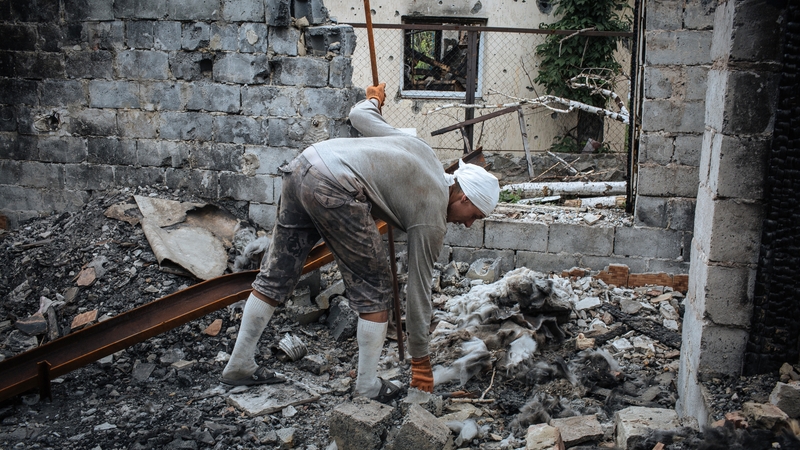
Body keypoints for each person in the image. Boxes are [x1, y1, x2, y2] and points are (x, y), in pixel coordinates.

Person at [221, 83, 500, 403]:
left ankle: (239, 364)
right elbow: (418, 291)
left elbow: (359, 115)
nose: (467, 223)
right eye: (473, 215)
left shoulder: (420, 148)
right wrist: (421, 360)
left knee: (278, 273)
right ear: (463, 196)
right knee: (377, 288)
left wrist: (374, 99)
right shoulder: (432, 214)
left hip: (302, 167)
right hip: (334, 186)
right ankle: (367, 386)